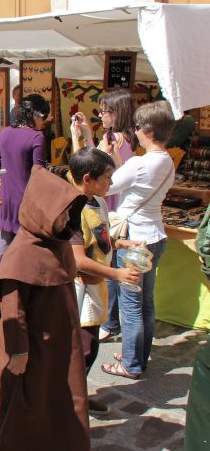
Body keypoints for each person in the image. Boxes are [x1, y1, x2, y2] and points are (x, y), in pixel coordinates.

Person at [0, 165, 90, 451]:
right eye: (61, 211)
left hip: (60, 344)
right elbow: (13, 310)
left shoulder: (58, 244)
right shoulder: (22, 253)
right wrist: (19, 351)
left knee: (62, 395)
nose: (66, 218)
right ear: (44, 210)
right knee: (27, 401)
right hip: (33, 348)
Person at [99, 101, 176, 380]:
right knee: (147, 302)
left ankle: (131, 363)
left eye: (137, 127)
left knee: (131, 304)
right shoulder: (167, 161)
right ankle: (139, 355)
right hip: (155, 235)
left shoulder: (142, 163)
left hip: (134, 240)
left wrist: (105, 155)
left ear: (146, 130)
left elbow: (109, 184)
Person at [68, 147, 142, 414]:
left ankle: (77, 397)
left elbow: (98, 238)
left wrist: (118, 244)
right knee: (83, 349)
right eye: (108, 177)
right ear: (87, 178)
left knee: (88, 347)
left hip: (94, 287)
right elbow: (77, 259)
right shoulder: (72, 207)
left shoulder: (95, 200)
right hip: (79, 290)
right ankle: (70, 402)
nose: (111, 183)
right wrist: (118, 274)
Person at [71, 88, 137, 342]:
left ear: (117, 112)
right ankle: (108, 319)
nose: (101, 114)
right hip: (111, 200)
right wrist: (87, 132)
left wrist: (79, 137)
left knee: (102, 257)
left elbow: (87, 163)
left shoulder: (116, 139)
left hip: (103, 202)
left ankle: (107, 321)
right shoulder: (125, 138)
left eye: (104, 110)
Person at [0, 93, 48, 259]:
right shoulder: (37, 137)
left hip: (3, 202)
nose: (44, 123)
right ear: (35, 115)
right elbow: (39, 174)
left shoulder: (3, 133)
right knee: (24, 258)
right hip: (27, 205)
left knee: (3, 255)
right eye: (44, 118)